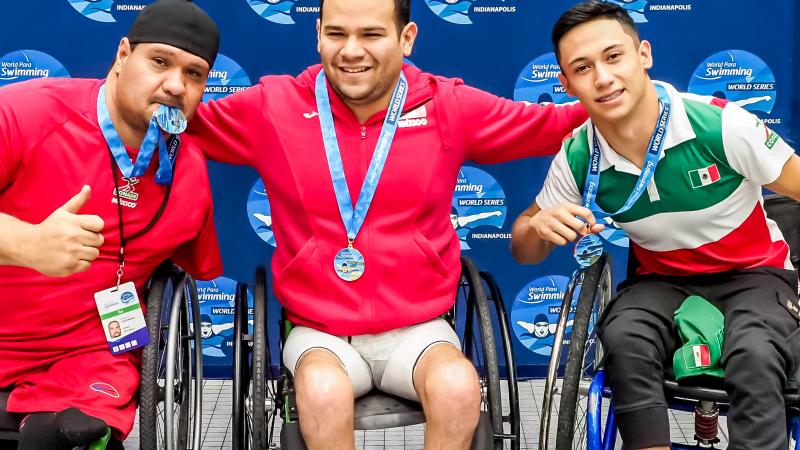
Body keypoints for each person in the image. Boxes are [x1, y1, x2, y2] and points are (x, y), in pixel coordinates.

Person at [188, 0, 585, 447]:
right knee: (322, 393)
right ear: (318, 33)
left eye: (371, 35)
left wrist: (644, 100)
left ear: (407, 38)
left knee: (459, 388)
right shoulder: (273, 106)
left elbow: (555, 124)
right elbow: (169, 117)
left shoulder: (447, 105)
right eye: (336, 34)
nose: (351, 50)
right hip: (320, 330)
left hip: (418, 329)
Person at [510, 2, 800, 449]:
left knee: (756, 354)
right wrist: (537, 226)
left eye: (613, 56)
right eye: (582, 68)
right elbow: (524, 250)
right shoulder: (577, 155)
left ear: (643, 54)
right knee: (624, 339)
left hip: (754, 274)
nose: (603, 78)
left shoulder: (719, 125)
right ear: (565, 84)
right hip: (661, 279)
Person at [0, 1, 223, 448]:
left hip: (90, 359)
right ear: (122, 56)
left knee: (69, 438)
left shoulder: (191, 174)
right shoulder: (26, 113)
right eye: (159, 62)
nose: (176, 85)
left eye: (194, 74)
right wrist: (25, 243)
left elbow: (194, 271)